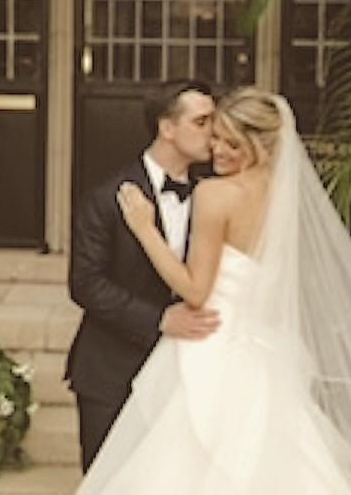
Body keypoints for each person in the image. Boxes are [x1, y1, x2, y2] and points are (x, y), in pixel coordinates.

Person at [77, 87, 351, 494]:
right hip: (266, 353)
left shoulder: (214, 194)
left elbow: (195, 290)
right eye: (217, 139)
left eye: (231, 143)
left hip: (214, 348)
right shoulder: (283, 197)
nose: (217, 151)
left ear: (260, 145)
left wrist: (145, 229)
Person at [65, 79, 222, 473]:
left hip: (188, 374)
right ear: (167, 128)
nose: (214, 132)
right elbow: (85, 283)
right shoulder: (107, 196)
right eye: (202, 122)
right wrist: (158, 319)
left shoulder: (214, 197)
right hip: (112, 371)